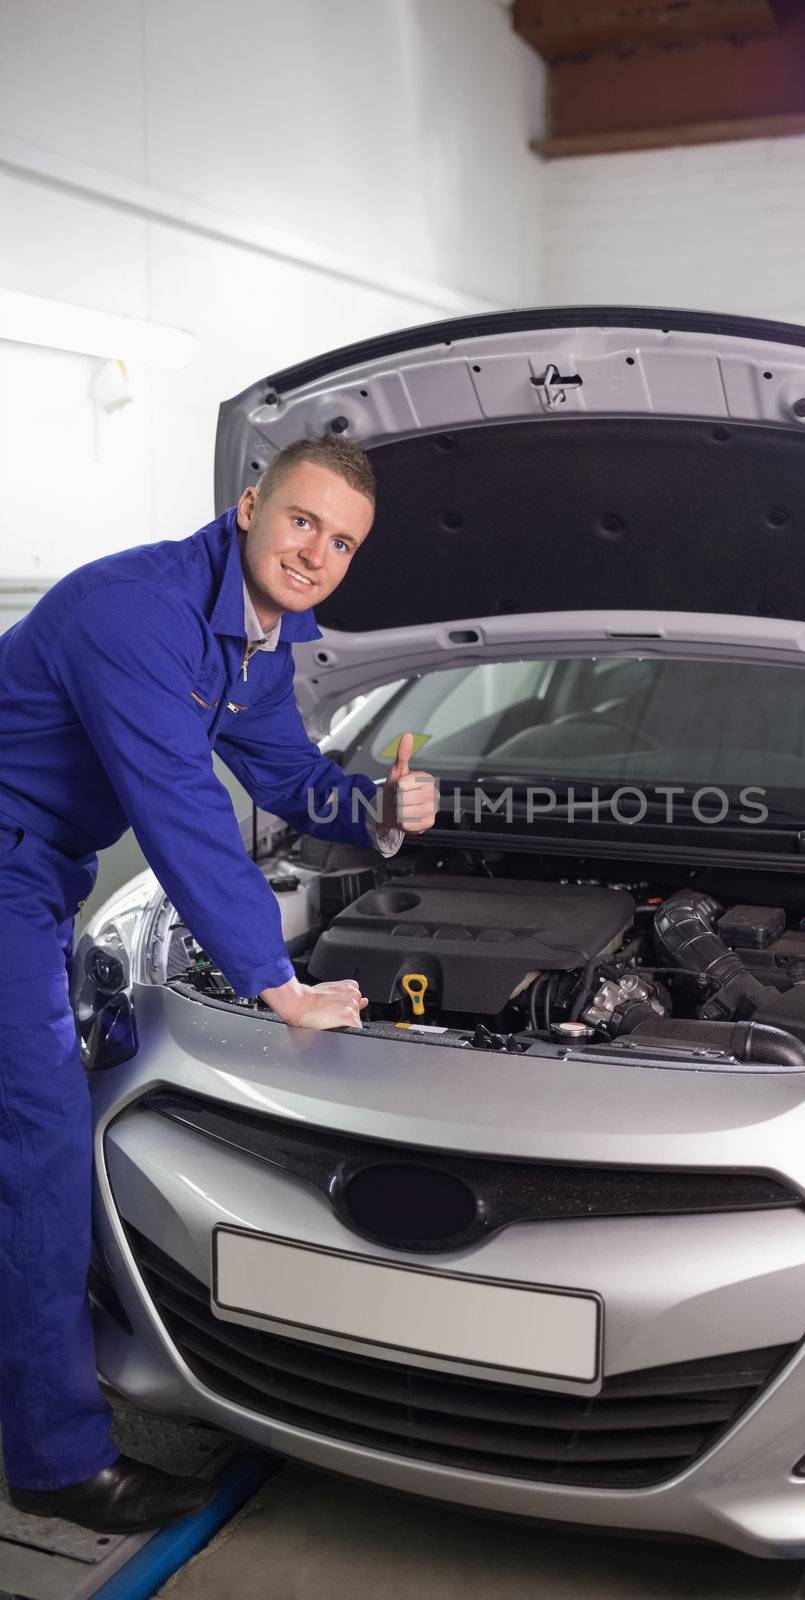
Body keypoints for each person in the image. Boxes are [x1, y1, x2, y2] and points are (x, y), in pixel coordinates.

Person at [0, 434, 436, 1534]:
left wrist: (376, 811)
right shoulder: (133, 612)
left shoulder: (259, 639)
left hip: (34, 876)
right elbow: (182, 812)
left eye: (342, 542)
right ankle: (52, 1457)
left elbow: (285, 774)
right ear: (249, 506)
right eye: (302, 522)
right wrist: (273, 978)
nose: (316, 554)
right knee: (43, 1148)